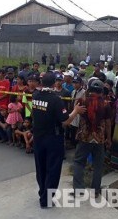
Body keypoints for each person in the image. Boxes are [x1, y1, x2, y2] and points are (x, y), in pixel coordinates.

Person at [32, 73, 86, 208]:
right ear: (54, 84)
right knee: (53, 169)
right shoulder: (55, 100)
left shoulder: (35, 96)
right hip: (52, 138)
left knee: (41, 168)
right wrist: (76, 111)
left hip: (38, 137)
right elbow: (66, 121)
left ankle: (42, 194)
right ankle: (46, 200)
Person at [73, 78, 112, 197]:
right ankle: (95, 190)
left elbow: (75, 111)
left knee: (79, 162)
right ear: (101, 91)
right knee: (98, 165)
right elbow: (108, 123)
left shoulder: (82, 101)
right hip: (99, 138)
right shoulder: (106, 104)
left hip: (84, 136)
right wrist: (109, 138)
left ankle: (78, 189)